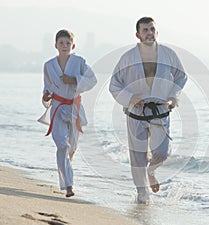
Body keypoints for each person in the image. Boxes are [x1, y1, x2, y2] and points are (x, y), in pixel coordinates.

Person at [109, 17, 187, 204]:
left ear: (157, 32)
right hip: (136, 112)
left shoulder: (169, 54)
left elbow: (181, 77)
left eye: (152, 29)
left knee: (162, 152)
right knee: (137, 157)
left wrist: (173, 95)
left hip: (160, 110)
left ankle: (152, 171)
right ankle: (142, 195)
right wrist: (130, 98)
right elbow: (114, 84)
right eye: (145, 30)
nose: (149, 33)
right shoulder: (128, 57)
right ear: (138, 34)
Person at [38, 29, 97, 197]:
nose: (65, 46)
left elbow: (92, 80)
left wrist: (74, 79)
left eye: (68, 43)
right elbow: (47, 85)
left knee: (72, 146)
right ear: (55, 45)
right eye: (61, 43)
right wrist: (45, 95)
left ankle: (68, 160)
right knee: (62, 146)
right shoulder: (49, 65)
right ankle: (68, 185)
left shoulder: (79, 62)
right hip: (57, 107)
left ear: (73, 45)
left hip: (74, 108)